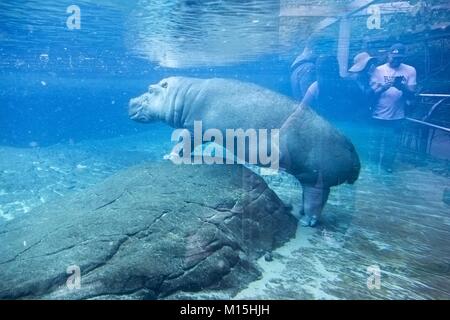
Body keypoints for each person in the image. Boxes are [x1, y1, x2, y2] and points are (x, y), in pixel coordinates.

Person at [370, 43, 417, 173]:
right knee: (375, 142)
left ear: (403, 57)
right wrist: (384, 87)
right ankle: (373, 168)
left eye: (399, 58)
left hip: (398, 114)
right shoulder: (378, 70)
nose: (396, 60)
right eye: (394, 57)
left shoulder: (410, 70)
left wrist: (401, 86)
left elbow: (412, 94)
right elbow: (371, 93)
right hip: (377, 113)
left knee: (392, 143)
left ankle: (387, 167)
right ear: (388, 55)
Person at [301, 55, 348, 120]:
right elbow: (302, 108)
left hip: (344, 121)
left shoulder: (346, 85)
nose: (327, 79)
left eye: (329, 74)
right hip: (324, 123)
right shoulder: (316, 86)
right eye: (323, 74)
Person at [347, 52, 377, 121]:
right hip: (354, 115)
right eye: (369, 63)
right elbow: (360, 97)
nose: (371, 65)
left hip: (363, 114)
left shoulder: (365, 77)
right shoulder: (353, 78)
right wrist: (375, 88)